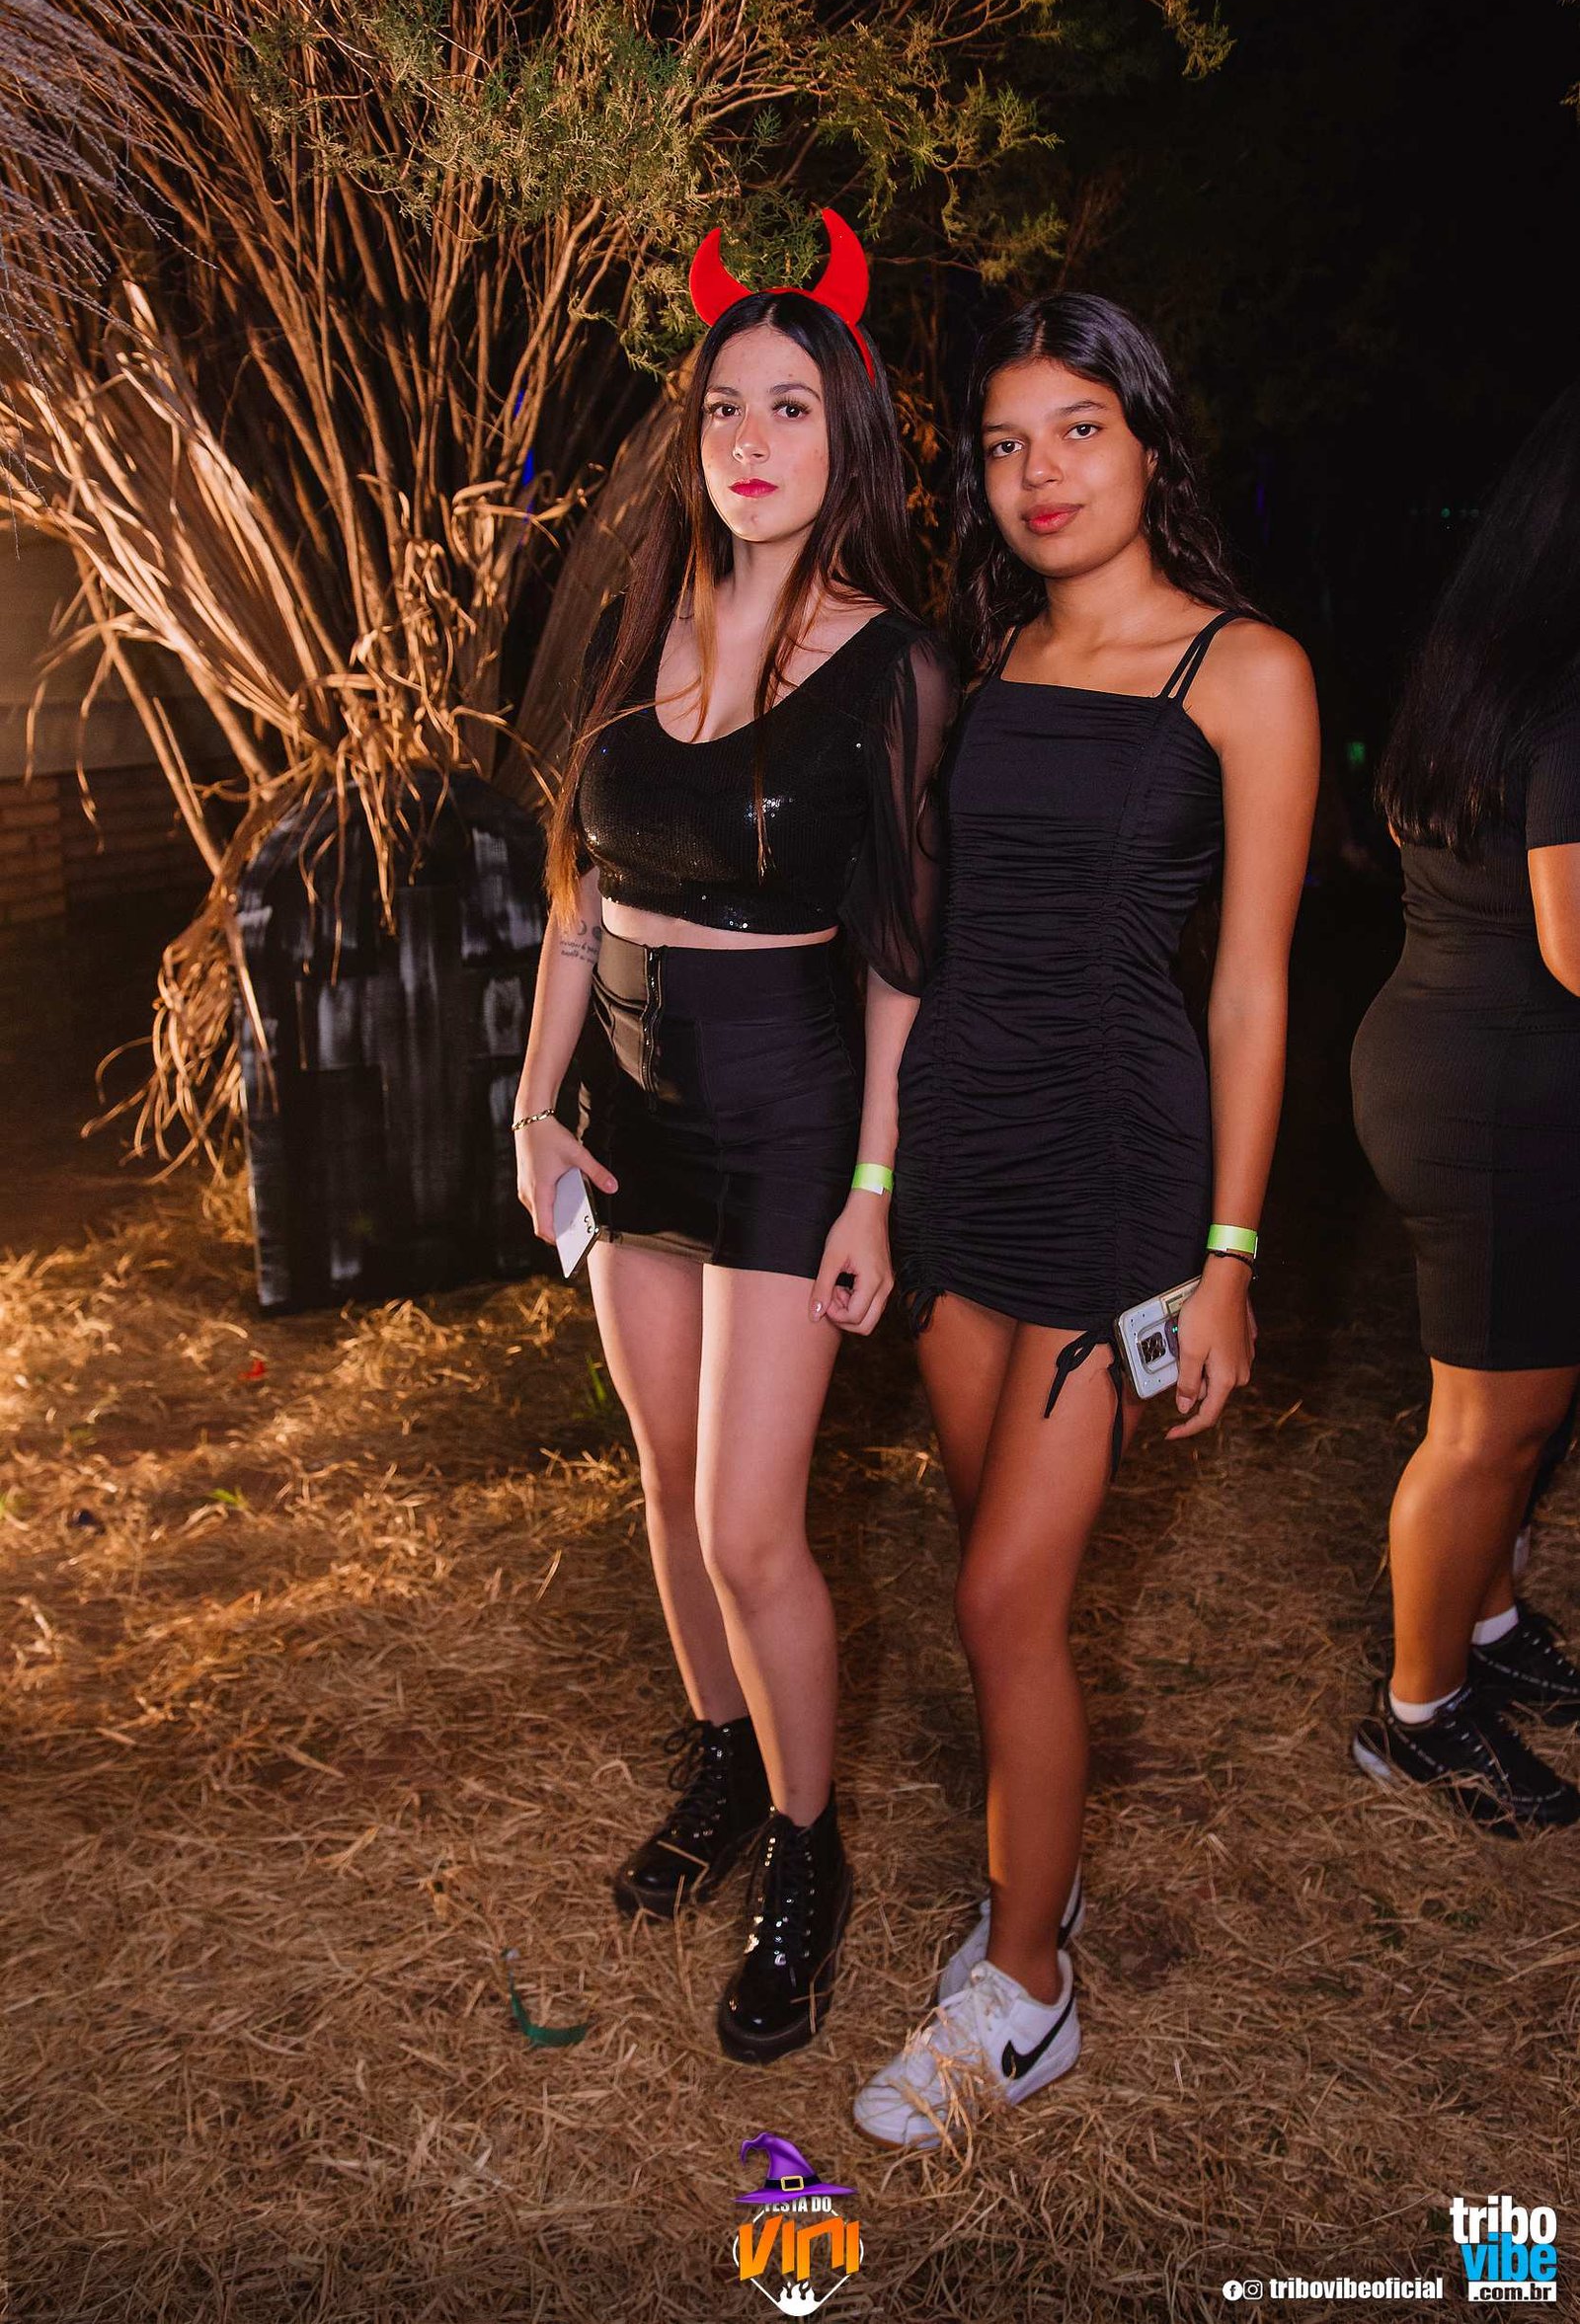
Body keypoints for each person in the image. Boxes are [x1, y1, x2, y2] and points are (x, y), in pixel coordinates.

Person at [851, 291, 1319, 2149]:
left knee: (1000, 1598)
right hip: (963, 1146)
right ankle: (1018, 1890)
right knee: (1001, 1591)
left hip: (1119, 1163)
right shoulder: (992, 656)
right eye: (1003, 444)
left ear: (1148, 440)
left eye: (1078, 431)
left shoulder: (1245, 670)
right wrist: (882, 1173)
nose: (1038, 474)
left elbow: (1253, 989)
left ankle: (1027, 1989)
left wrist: (1229, 1260)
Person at [514, 211, 955, 2063]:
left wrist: (873, 1188)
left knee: (745, 1521)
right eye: (722, 409)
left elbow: (904, 955)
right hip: (625, 1112)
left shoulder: (891, 664)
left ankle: (803, 1848)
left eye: (789, 408)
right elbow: (578, 890)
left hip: (785, 1116)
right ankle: (718, 1761)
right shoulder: (643, 621)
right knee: (661, 1473)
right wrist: (534, 1099)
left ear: (847, 436)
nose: (749, 442)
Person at [1350, 382, 1580, 1835]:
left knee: (1501, 1408)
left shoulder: (1483, 652)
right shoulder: (1570, 686)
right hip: (1499, 1091)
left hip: (1444, 1055)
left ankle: (1486, 1629)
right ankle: (1419, 1719)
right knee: (1492, 1426)